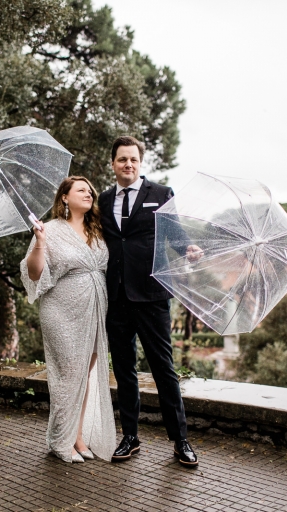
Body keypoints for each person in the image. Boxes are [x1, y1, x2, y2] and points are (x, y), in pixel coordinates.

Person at [99, 136, 202, 467]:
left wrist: (189, 249)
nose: (127, 164)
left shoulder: (160, 194)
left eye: (133, 159)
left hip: (152, 296)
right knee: (125, 370)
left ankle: (181, 440)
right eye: (121, 160)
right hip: (115, 298)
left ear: (140, 163)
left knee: (163, 369)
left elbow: (174, 235)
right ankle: (130, 437)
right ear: (113, 164)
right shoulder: (103, 200)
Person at [20, 176, 117, 463]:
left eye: (90, 191)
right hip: (61, 311)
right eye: (81, 190)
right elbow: (35, 274)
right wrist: (39, 242)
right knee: (68, 375)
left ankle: (76, 437)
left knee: (83, 376)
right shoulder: (48, 229)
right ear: (64, 197)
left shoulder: (98, 230)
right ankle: (60, 440)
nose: (89, 194)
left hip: (94, 311)